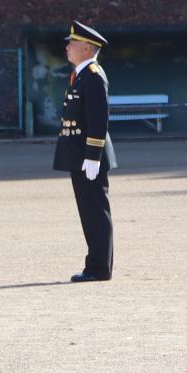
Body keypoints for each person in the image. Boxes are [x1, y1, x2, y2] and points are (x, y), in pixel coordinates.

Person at [56, 21, 115, 283]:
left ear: (87, 48)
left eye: (73, 43)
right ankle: (95, 264)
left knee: (95, 212)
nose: (68, 47)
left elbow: (98, 119)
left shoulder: (92, 74)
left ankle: (99, 267)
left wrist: (93, 156)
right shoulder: (80, 75)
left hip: (88, 156)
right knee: (88, 212)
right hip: (79, 154)